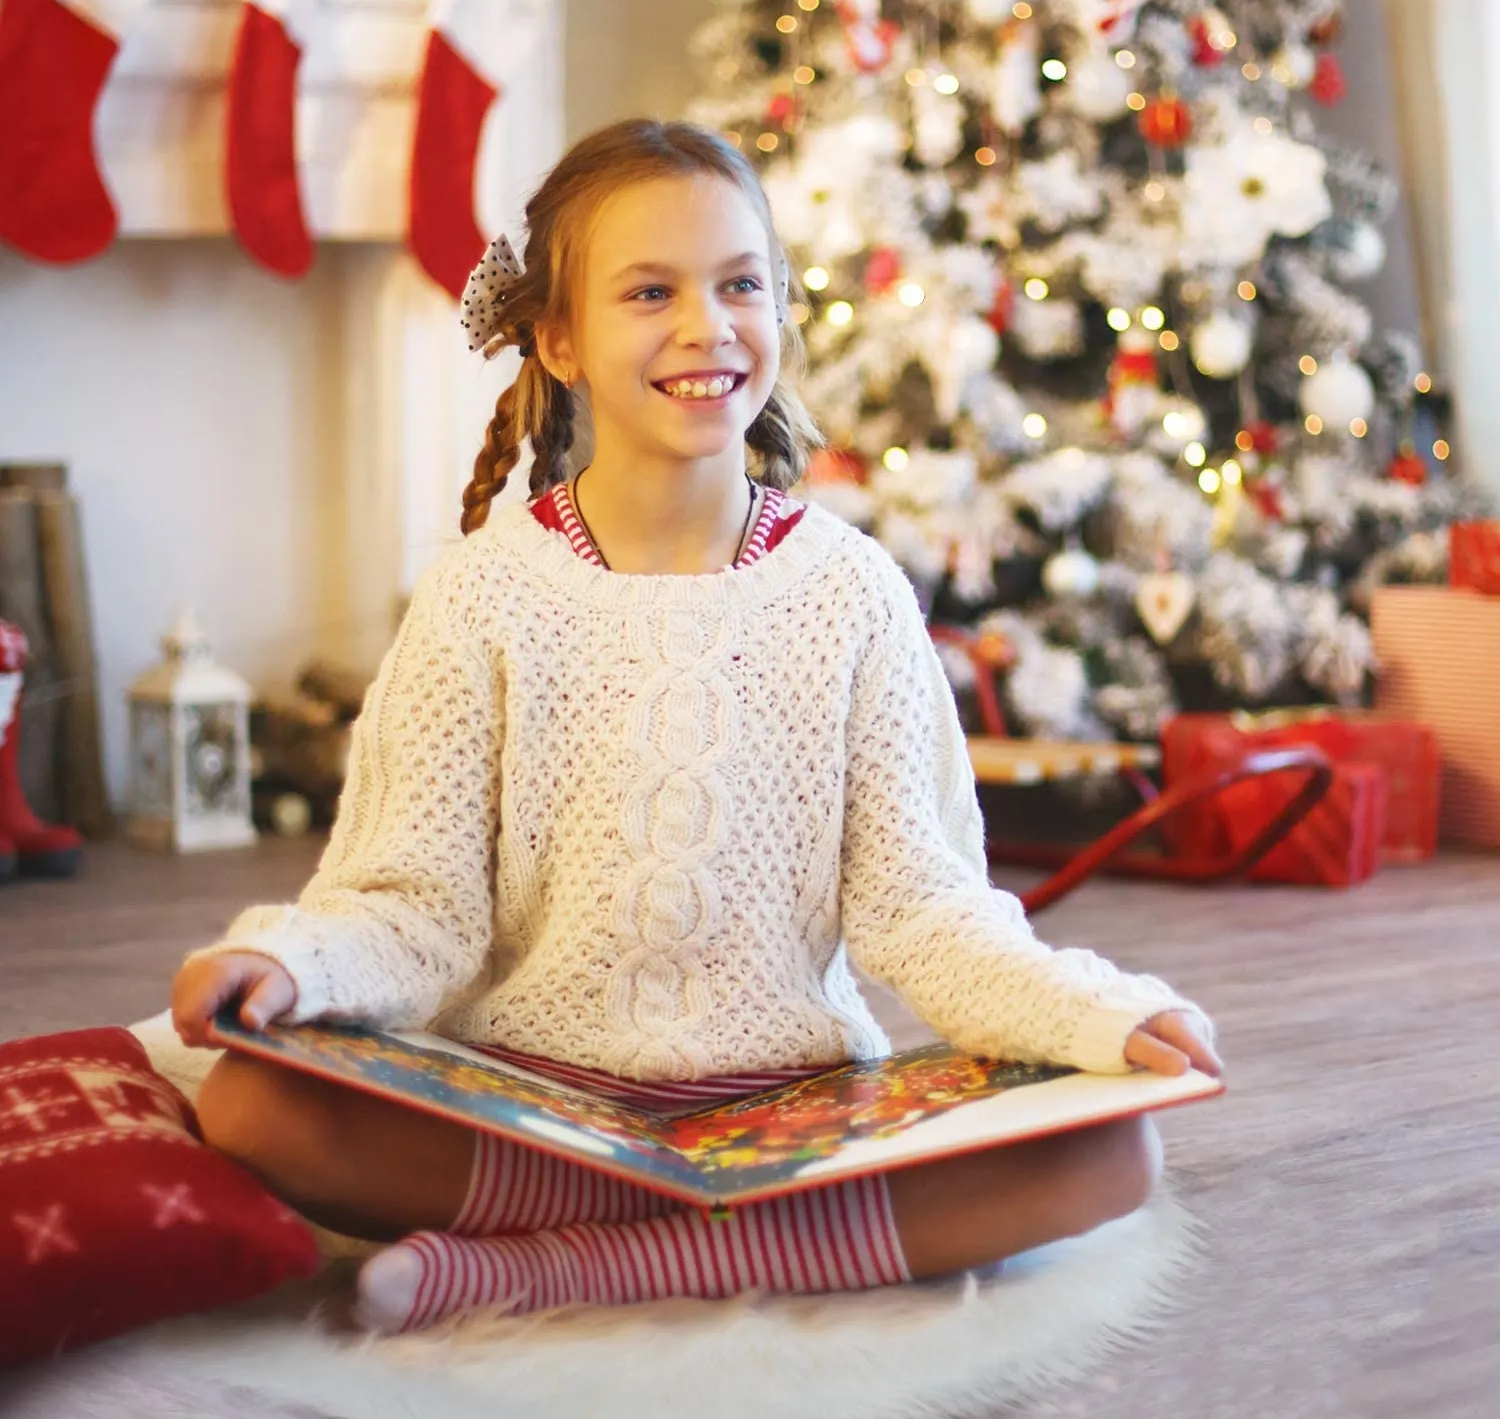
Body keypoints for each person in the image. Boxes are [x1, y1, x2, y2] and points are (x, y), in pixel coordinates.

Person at [171, 118, 1221, 1336]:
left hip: (801, 1111)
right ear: (557, 340)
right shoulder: (483, 593)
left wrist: (1092, 1011)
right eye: (650, 292)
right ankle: (730, 1250)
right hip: (532, 1107)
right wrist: (295, 963)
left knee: (1111, 1158)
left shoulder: (853, 593)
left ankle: (567, 1269)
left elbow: (924, 910)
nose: (706, 327)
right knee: (253, 1106)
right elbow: (413, 907)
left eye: (741, 285)